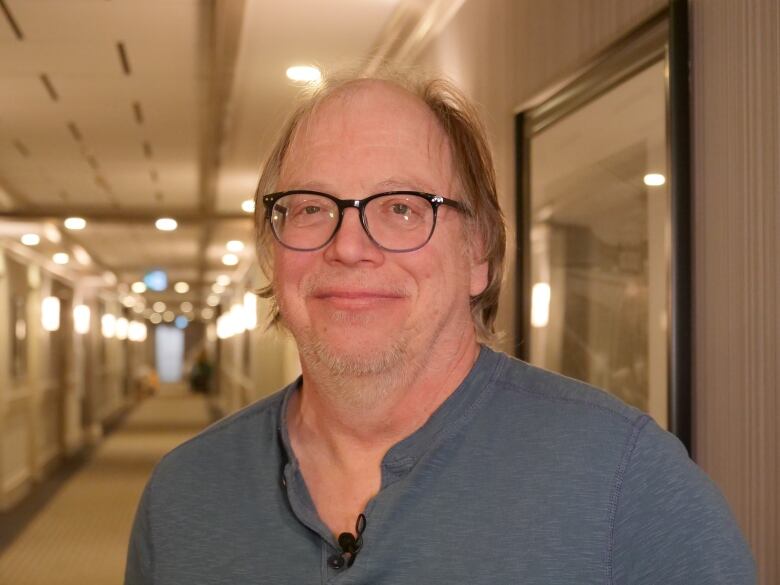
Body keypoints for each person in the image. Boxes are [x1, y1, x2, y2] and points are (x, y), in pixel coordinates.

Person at [125, 70, 756, 584]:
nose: (349, 247)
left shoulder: (626, 486)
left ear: (477, 252)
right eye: (312, 207)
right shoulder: (183, 496)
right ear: (274, 246)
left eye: (402, 208)